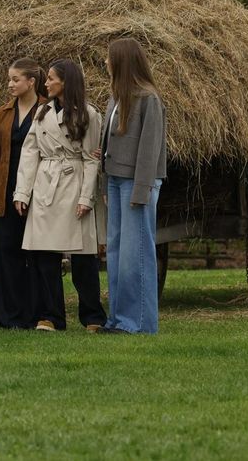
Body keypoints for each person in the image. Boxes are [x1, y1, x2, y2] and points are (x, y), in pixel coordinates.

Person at [13, 59, 106, 332]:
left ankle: (92, 317)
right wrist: (22, 192)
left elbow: (91, 159)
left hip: (75, 183)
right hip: (45, 186)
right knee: (44, 256)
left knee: (84, 257)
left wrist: (86, 197)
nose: (46, 83)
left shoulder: (89, 114)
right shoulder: (42, 113)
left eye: (51, 78)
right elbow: (30, 153)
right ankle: (51, 316)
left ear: (65, 82)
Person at [99, 38, 167, 334]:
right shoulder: (115, 98)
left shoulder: (148, 98)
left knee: (134, 254)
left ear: (123, 61)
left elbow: (150, 150)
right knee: (115, 252)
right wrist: (105, 183)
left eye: (109, 58)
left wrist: (141, 191)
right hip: (115, 180)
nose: (105, 62)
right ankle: (117, 319)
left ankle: (137, 323)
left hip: (137, 184)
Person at [0, 58, 45, 329]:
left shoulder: (48, 110)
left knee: (34, 254)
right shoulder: (3, 114)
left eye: (15, 79)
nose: (10, 84)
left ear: (31, 82)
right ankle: (5, 317)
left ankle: (33, 315)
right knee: (6, 252)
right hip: (6, 191)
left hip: (38, 191)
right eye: (9, 79)